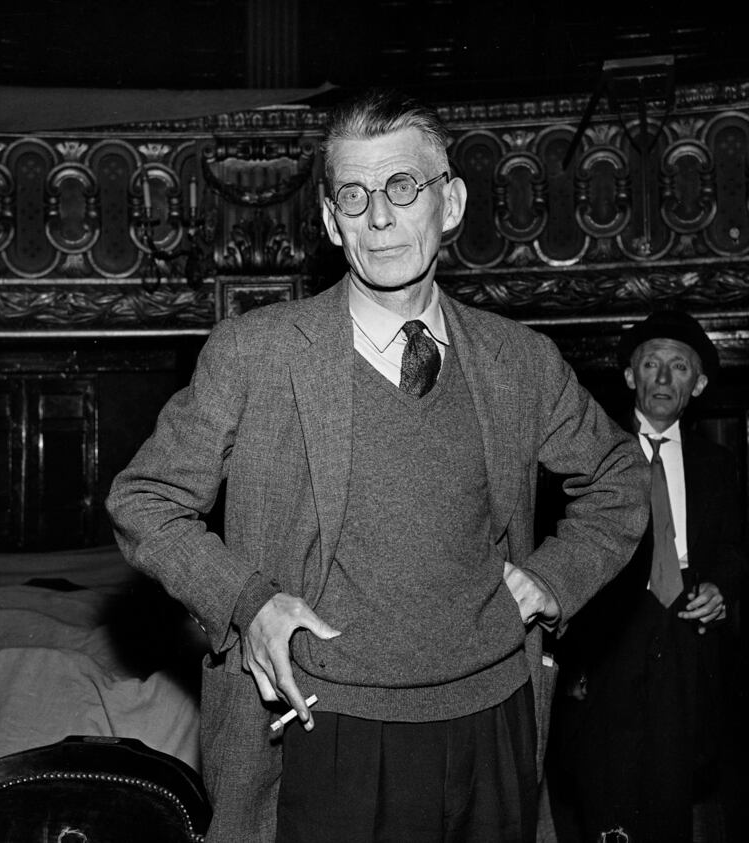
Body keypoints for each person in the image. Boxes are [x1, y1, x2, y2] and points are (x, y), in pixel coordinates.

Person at [106, 89, 649, 843]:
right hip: (324, 730)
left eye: (402, 187)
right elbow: (145, 499)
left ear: (449, 203)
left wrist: (557, 579)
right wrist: (248, 600)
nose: (379, 217)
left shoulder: (518, 360)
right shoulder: (255, 353)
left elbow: (621, 476)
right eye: (354, 197)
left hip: (494, 718)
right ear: (331, 221)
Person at [555, 309, 745, 842]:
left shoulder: (717, 463)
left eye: (679, 366)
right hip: (611, 633)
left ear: (699, 383)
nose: (663, 378)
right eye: (651, 365)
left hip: (687, 635)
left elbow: (731, 548)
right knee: (604, 787)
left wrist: (721, 587)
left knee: (678, 785)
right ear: (629, 376)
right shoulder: (592, 455)